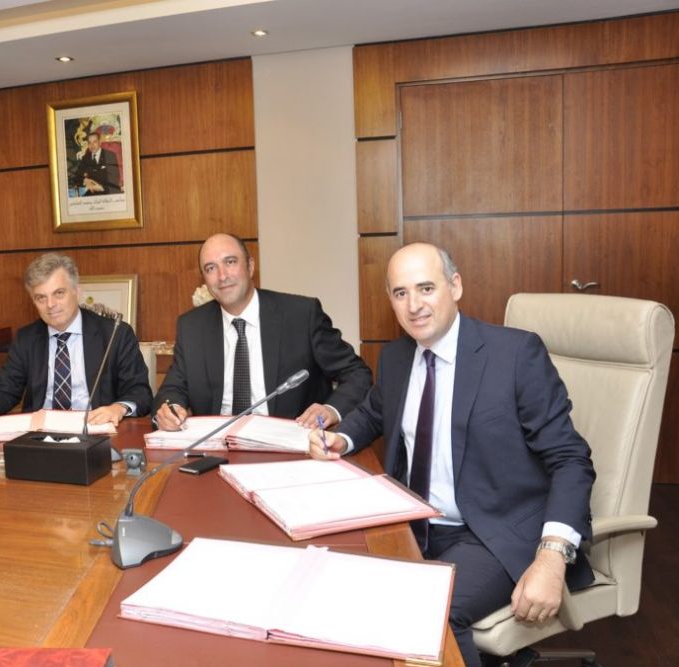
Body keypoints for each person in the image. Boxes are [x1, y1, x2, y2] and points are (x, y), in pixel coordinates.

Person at [308, 243, 595, 667]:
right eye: (401, 293)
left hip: (493, 531)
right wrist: (342, 439)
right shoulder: (397, 356)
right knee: (334, 588)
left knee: (429, 611)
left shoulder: (514, 354)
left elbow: (571, 459)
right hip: (414, 523)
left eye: (426, 288)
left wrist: (552, 557)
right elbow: (375, 411)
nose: (414, 305)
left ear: (455, 286)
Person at [153, 233, 371, 430]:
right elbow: (172, 390)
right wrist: (170, 409)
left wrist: (330, 410)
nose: (222, 276)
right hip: (214, 445)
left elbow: (357, 374)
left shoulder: (301, 316)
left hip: (289, 445)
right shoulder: (192, 327)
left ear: (250, 266)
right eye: (210, 268)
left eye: (230, 262)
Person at [0, 253, 151, 426]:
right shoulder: (26, 338)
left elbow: (140, 392)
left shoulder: (115, 334)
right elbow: (4, 388)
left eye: (59, 293)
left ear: (77, 291)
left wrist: (118, 408)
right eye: (41, 297)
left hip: (96, 430)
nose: (50, 305)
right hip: (40, 436)